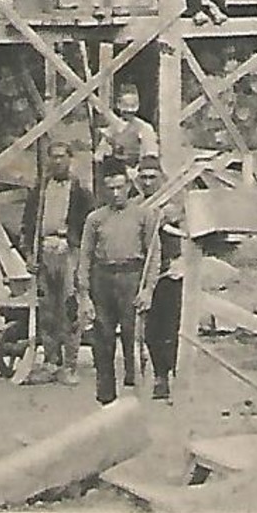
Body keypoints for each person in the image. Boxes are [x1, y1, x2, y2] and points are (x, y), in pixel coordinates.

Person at [75, 159, 155, 405]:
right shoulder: (95, 219)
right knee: (103, 339)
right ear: (103, 189)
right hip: (103, 280)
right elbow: (85, 256)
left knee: (135, 338)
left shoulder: (144, 215)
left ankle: (136, 394)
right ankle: (106, 397)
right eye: (110, 189)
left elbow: (154, 254)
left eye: (120, 187)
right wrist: (85, 295)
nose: (116, 193)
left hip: (132, 278)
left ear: (129, 186)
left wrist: (148, 289)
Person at [25, 138, 93, 385]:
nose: (57, 161)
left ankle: (70, 364)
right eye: (53, 156)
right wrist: (30, 256)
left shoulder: (81, 193)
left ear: (70, 160)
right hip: (45, 252)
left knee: (69, 309)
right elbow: (28, 225)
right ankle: (51, 362)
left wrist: (81, 257)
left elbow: (89, 230)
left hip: (68, 252)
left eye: (62, 156)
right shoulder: (40, 191)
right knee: (47, 312)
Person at [133, 153, 186, 400]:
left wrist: (163, 216)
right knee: (150, 332)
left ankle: (176, 376)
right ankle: (160, 376)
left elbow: (178, 219)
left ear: (161, 178)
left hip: (170, 273)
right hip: (145, 275)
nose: (147, 182)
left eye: (152, 178)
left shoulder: (173, 205)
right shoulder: (135, 206)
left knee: (171, 328)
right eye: (142, 178)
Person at [95, 84, 160, 172]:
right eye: (125, 106)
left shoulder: (144, 128)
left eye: (133, 106)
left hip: (137, 171)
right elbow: (99, 155)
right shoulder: (112, 128)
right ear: (118, 104)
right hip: (117, 171)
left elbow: (150, 154)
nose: (129, 110)